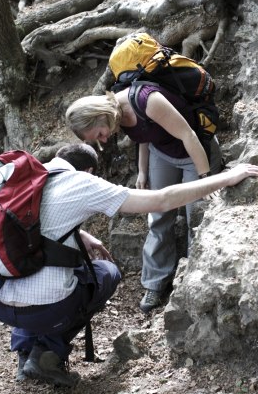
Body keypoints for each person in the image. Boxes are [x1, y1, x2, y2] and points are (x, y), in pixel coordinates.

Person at [0, 143, 258, 388]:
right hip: (44, 309)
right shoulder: (81, 182)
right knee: (106, 273)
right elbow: (162, 199)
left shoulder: (21, 180)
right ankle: (46, 354)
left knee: (42, 274)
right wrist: (226, 178)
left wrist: (82, 235)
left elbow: (21, 230)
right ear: (88, 171)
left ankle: (25, 354)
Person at [66, 87, 222, 314]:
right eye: (98, 140)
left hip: (195, 151)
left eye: (100, 134)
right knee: (158, 217)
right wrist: (142, 171)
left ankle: (193, 278)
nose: (105, 139)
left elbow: (188, 134)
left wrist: (206, 178)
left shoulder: (146, 100)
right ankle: (155, 283)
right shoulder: (117, 115)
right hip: (163, 152)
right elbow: (144, 135)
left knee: (195, 217)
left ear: (99, 115)